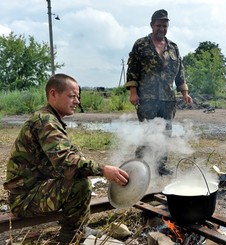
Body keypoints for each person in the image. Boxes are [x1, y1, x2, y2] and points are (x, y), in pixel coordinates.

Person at [3, 73, 129, 243]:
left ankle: (79, 227)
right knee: (80, 185)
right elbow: (65, 161)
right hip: (24, 199)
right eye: (72, 96)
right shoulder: (45, 121)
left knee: (77, 174)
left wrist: (95, 167)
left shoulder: (50, 119)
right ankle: (70, 238)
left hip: (35, 189)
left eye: (78, 96)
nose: (77, 101)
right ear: (53, 94)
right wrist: (103, 170)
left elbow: (72, 154)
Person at [125, 9, 192, 175]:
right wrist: (133, 92)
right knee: (147, 132)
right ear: (151, 25)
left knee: (166, 133)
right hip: (147, 97)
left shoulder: (173, 47)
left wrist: (184, 92)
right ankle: (140, 167)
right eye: (158, 25)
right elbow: (133, 68)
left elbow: (180, 72)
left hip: (168, 99)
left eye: (164, 25)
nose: (161, 28)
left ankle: (160, 167)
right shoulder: (140, 44)